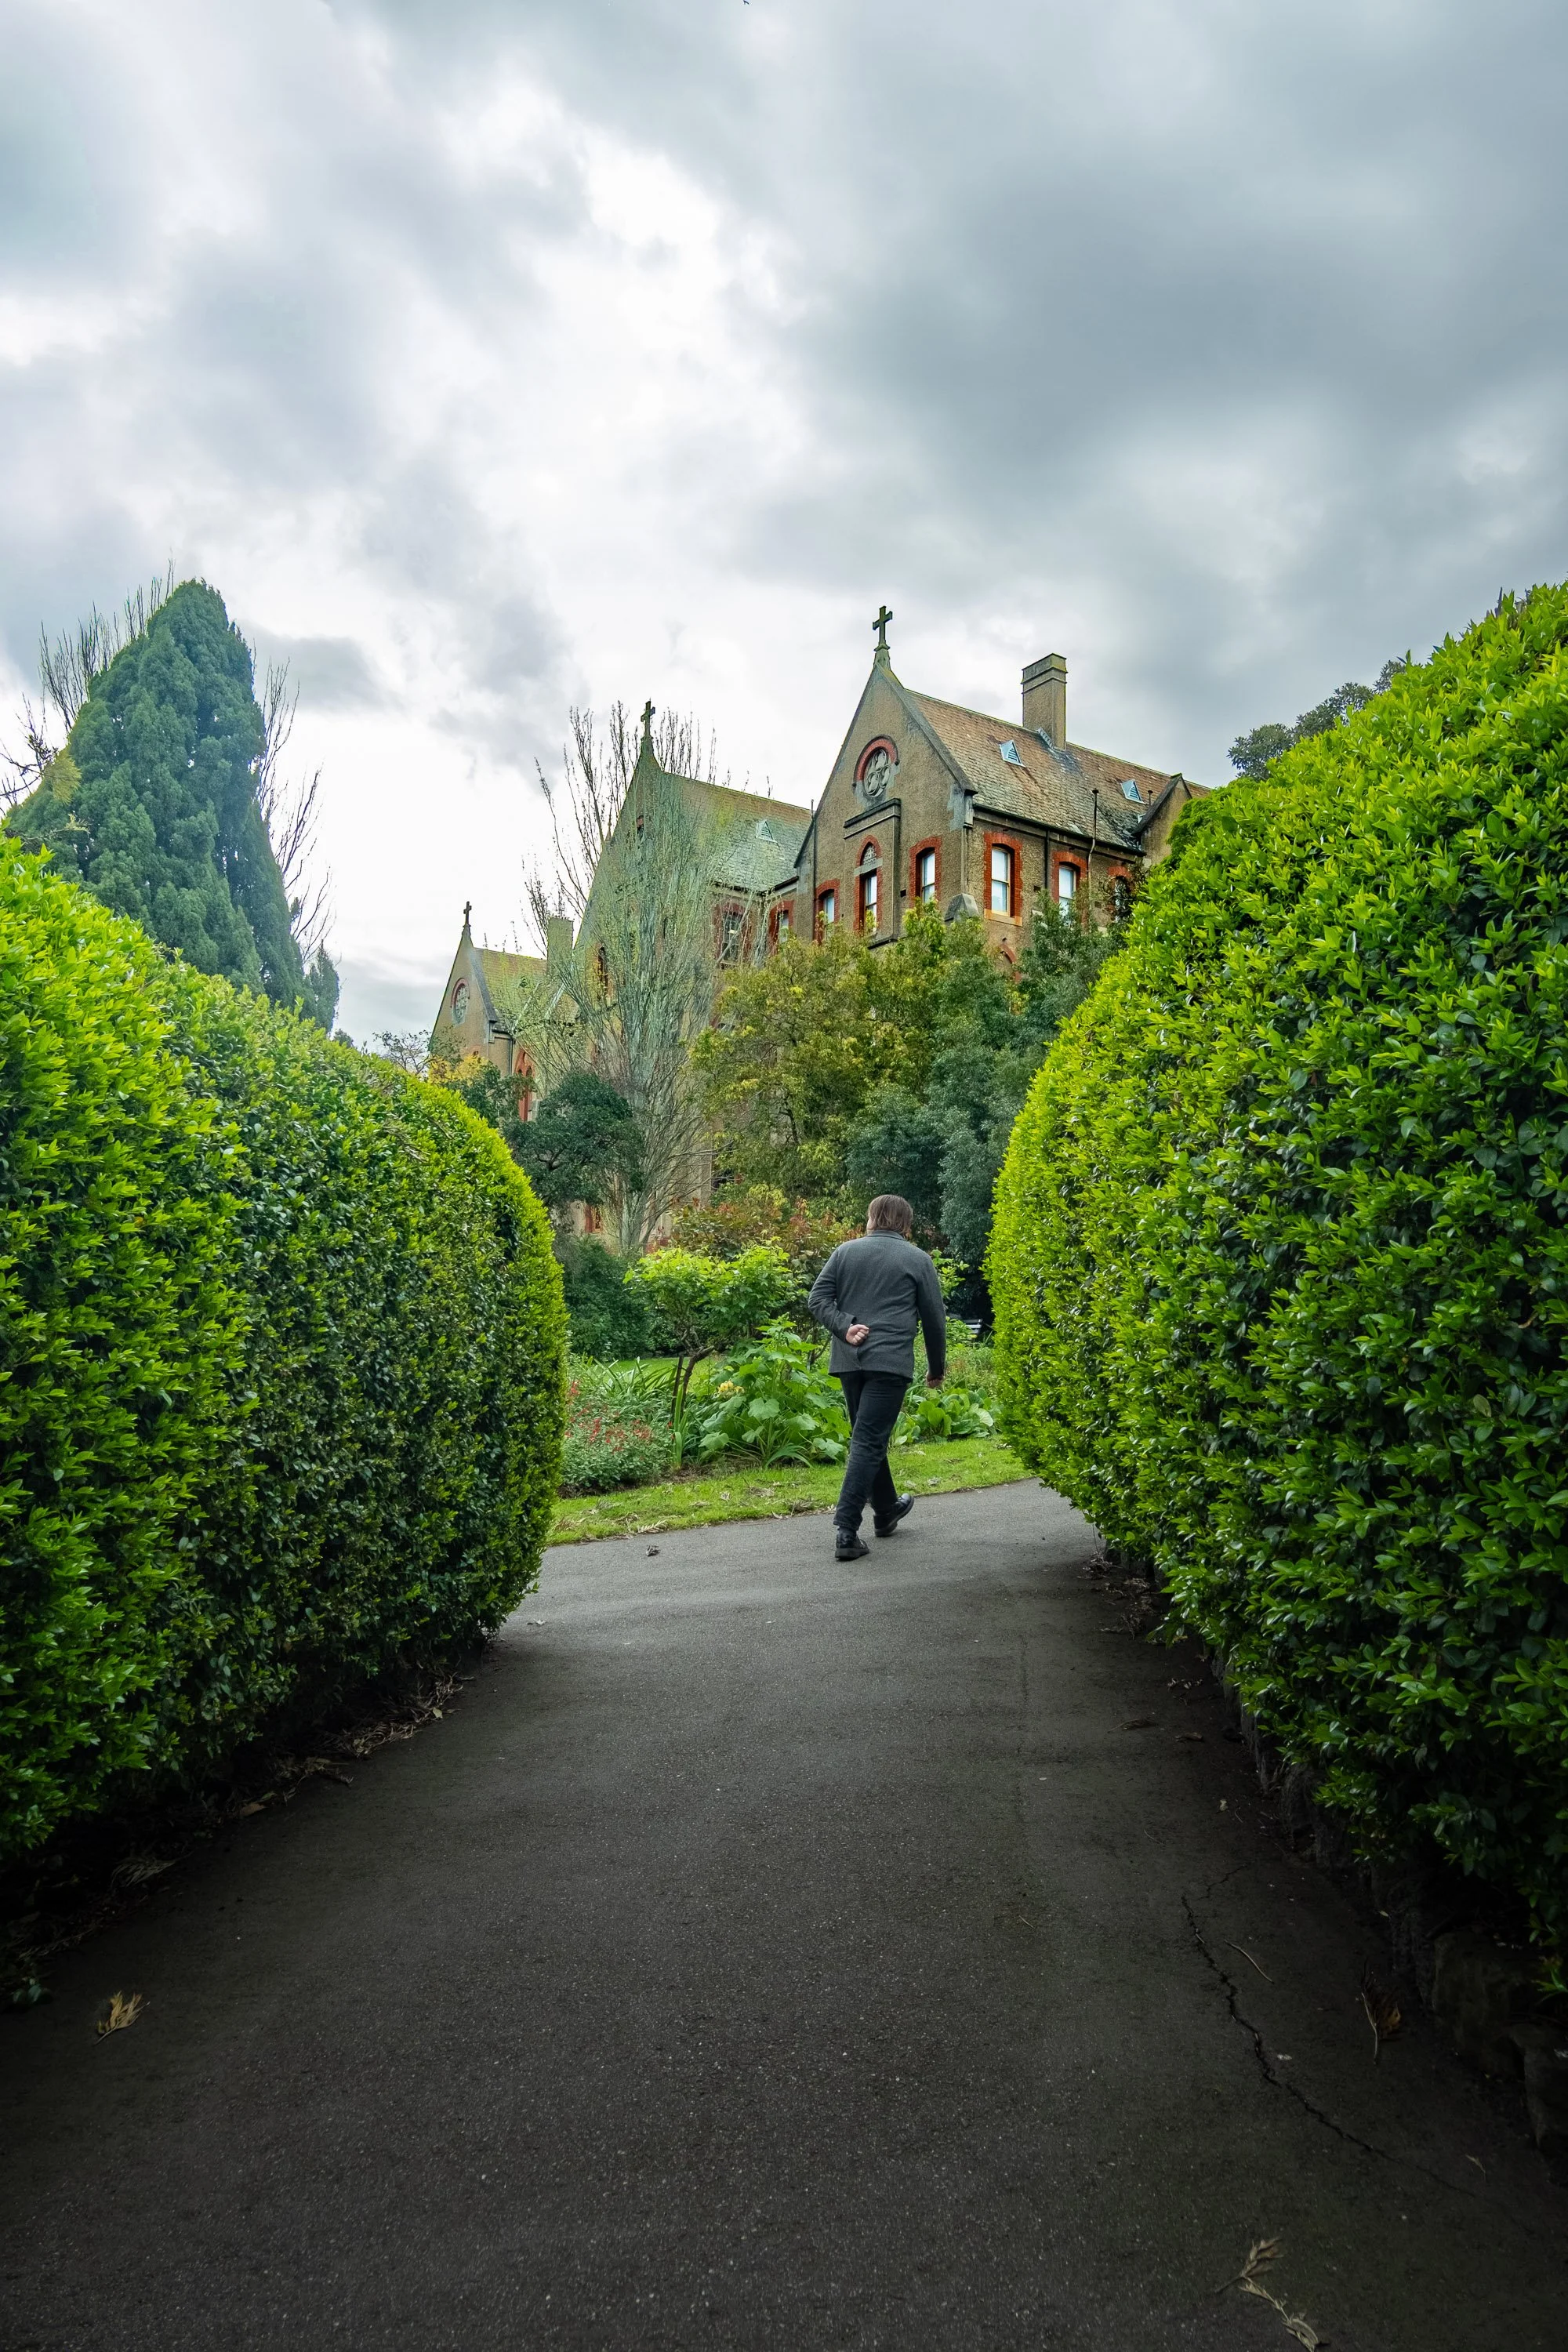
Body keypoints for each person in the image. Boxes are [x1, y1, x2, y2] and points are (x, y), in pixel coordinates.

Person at [807, 1194, 946, 1561]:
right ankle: (846, 1531)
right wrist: (937, 1367)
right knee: (868, 1441)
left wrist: (845, 1327)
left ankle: (886, 1511)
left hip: (850, 1362)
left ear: (871, 1218)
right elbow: (934, 1321)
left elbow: (818, 1299)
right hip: (889, 1363)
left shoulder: (845, 1252)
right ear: (906, 1225)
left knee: (868, 1436)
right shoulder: (919, 1259)